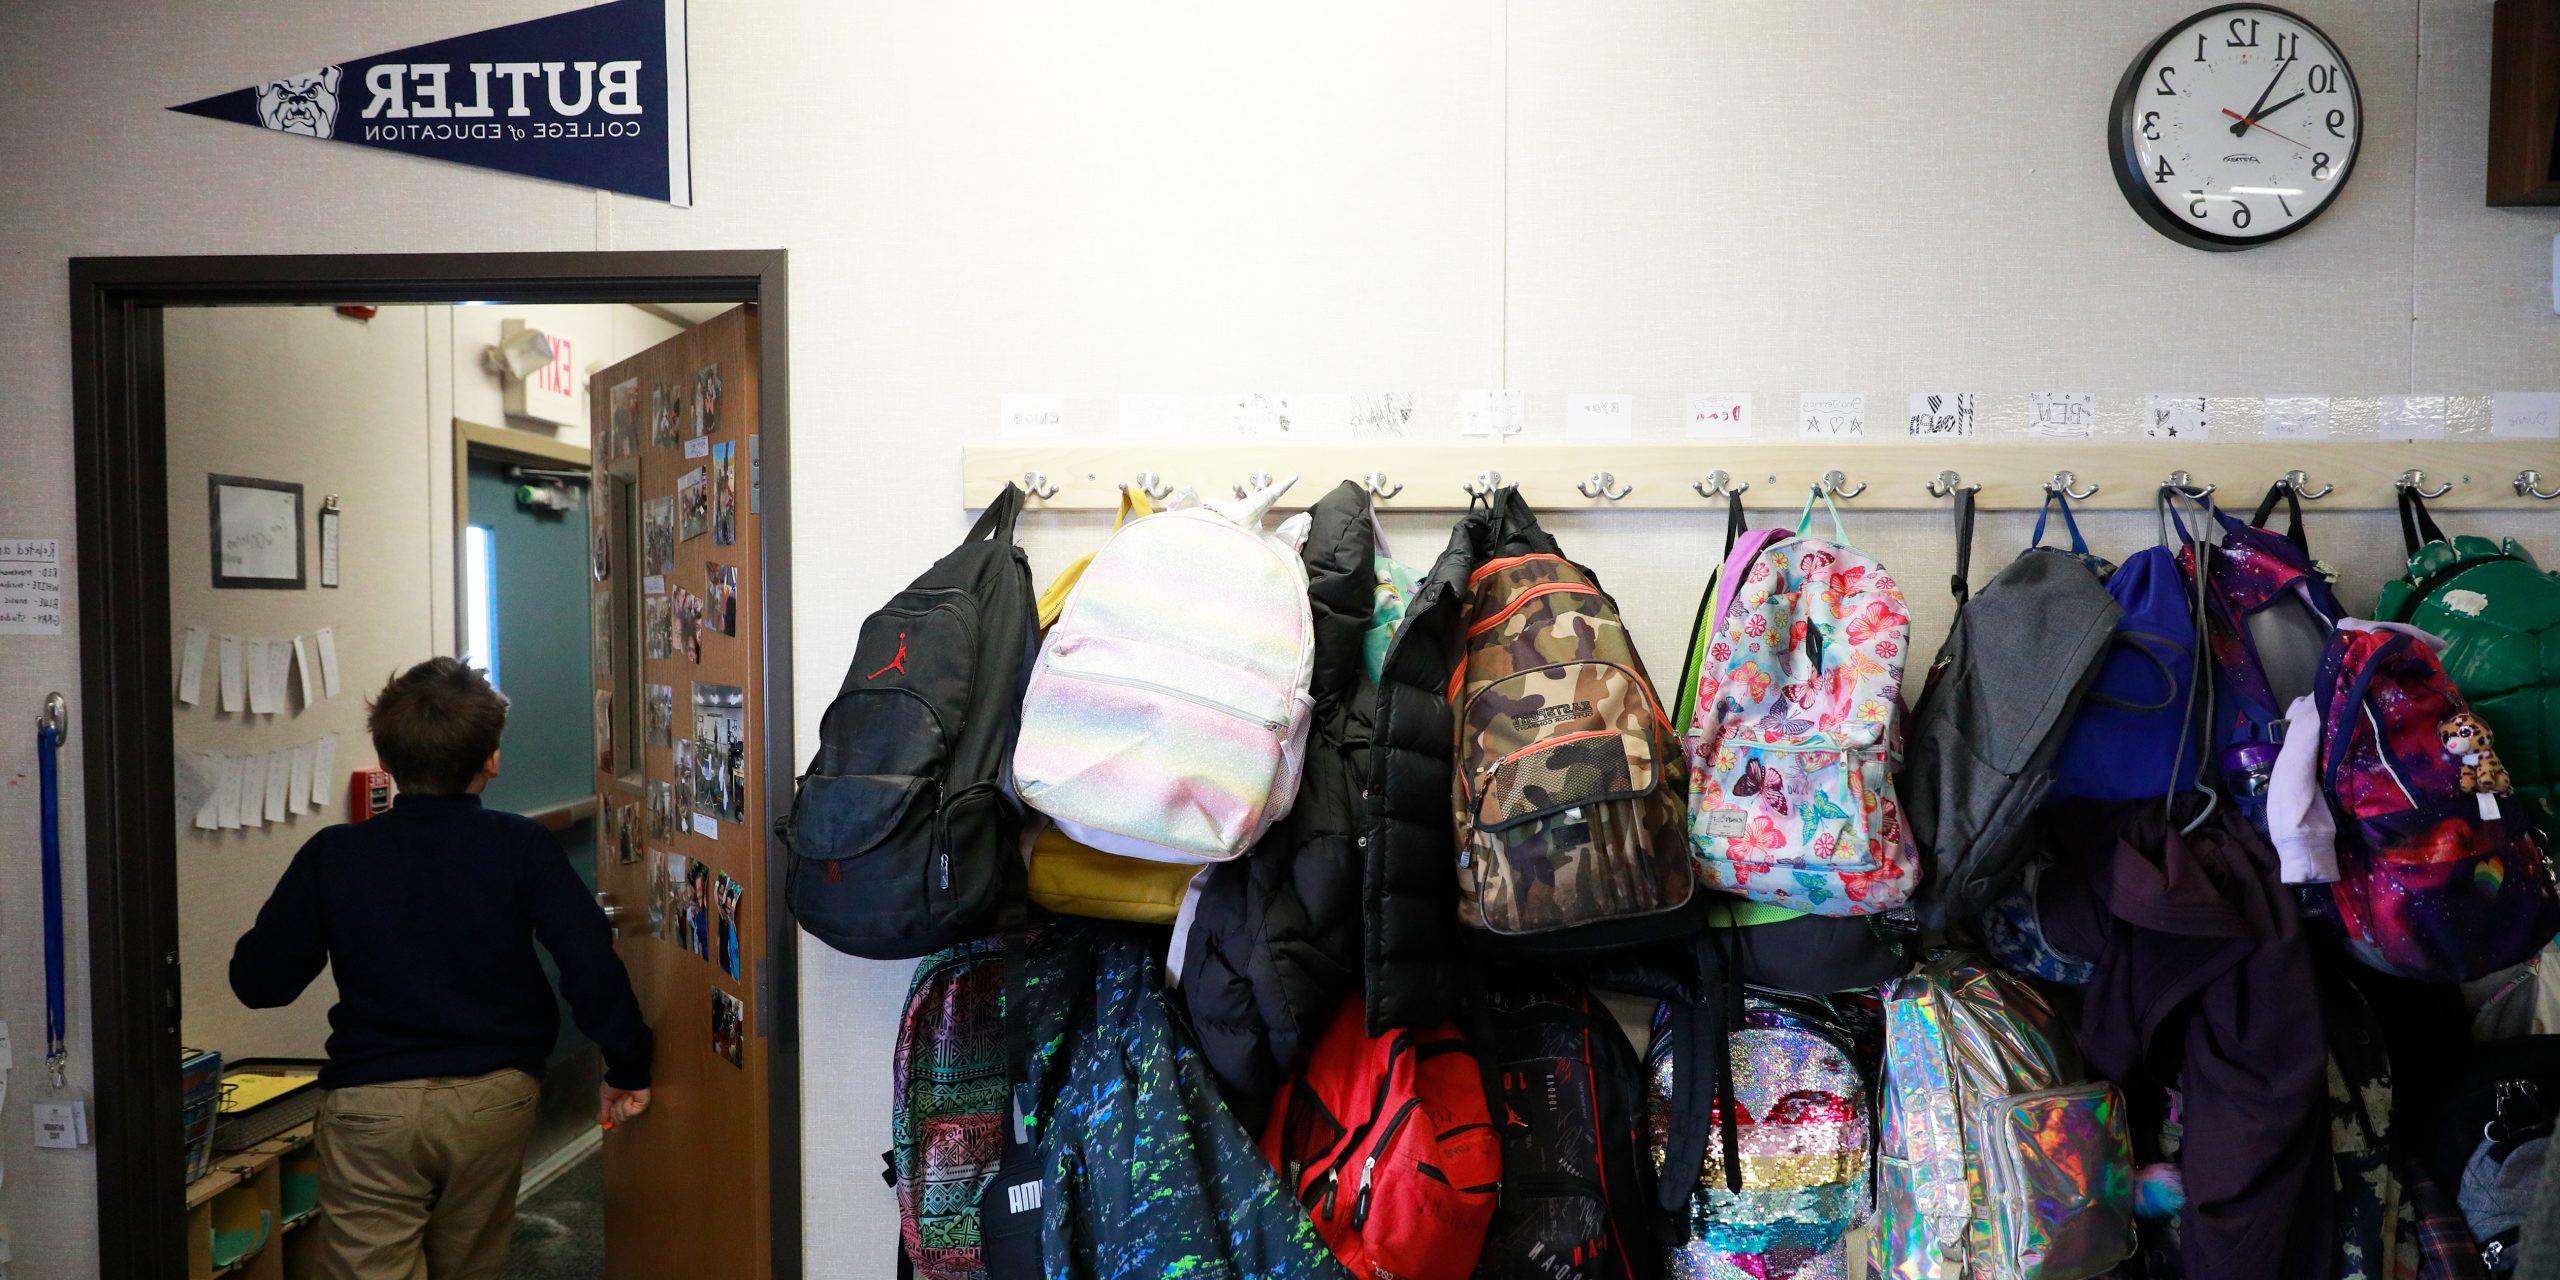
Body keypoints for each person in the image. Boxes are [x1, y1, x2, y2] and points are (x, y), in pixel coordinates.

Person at [232, 657, 653, 1280]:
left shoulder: (335, 856)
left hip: (372, 1106)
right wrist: (627, 1063)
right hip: (493, 1098)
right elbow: (586, 958)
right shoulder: (520, 847)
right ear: (491, 760)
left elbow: (259, 984)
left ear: (387, 756)